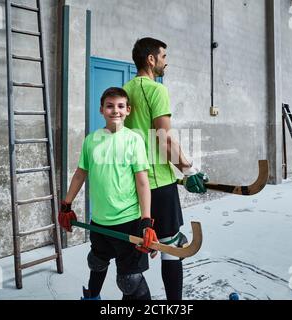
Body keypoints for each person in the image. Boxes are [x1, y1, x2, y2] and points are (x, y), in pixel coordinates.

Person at [123, 37, 208, 300]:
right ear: (151, 59)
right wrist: (188, 169)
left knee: (139, 245)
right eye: (163, 56)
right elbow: (164, 138)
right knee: (171, 249)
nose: (165, 62)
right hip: (159, 182)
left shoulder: (125, 90)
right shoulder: (156, 89)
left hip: (132, 182)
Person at [58, 87, 158, 300]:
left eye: (120, 106)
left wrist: (146, 220)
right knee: (97, 262)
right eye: (110, 106)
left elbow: (142, 182)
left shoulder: (134, 140)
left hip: (128, 222)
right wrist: (66, 204)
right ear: (101, 109)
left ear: (128, 110)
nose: (115, 111)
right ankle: (92, 297)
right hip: (100, 221)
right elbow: (80, 174)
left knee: (129, 280)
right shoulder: (91, 140)